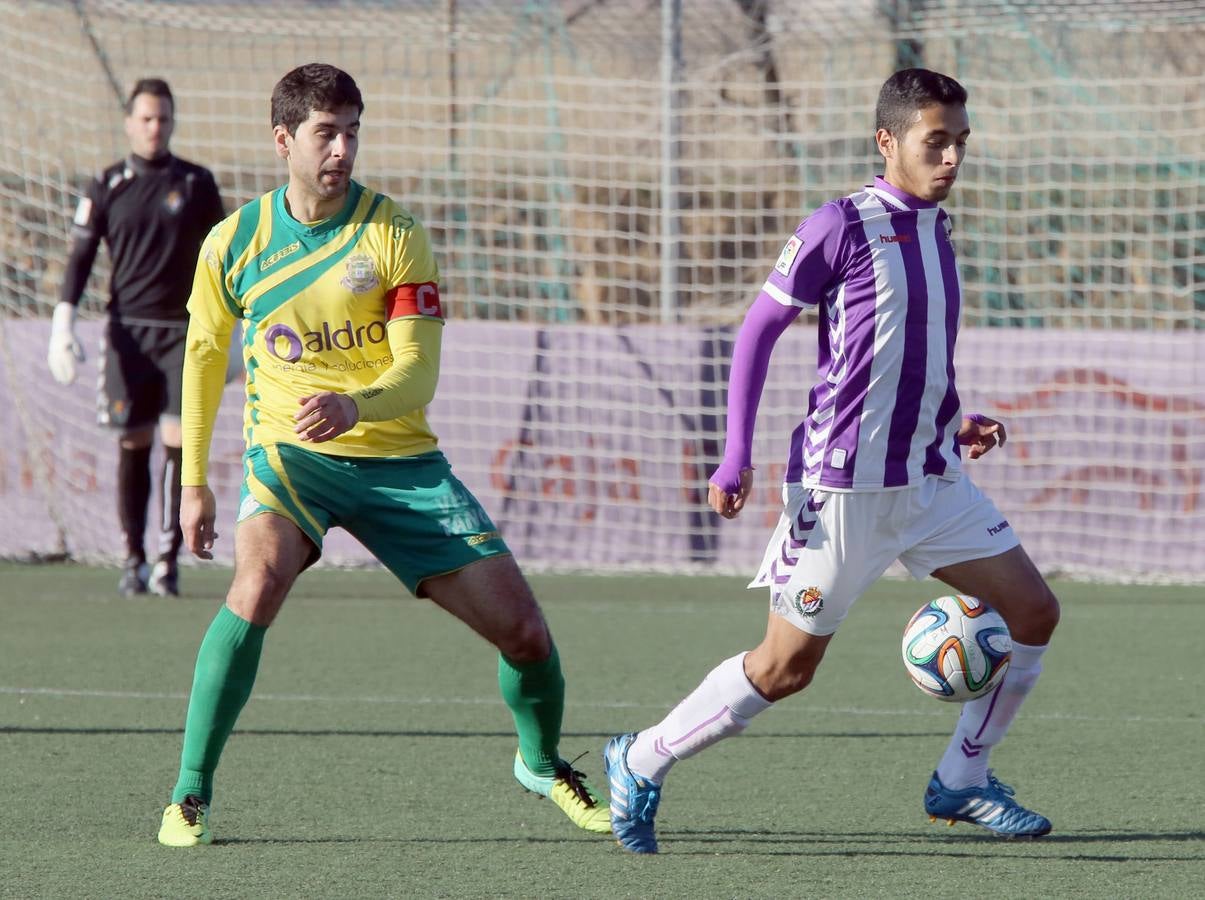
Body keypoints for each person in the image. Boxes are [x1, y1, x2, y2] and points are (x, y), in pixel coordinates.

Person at [603, 68, 1061, 853]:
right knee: (783, 671)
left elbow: (903, 358)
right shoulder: (838, 225)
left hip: (927, 479)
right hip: (841, 490)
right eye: (934, 142)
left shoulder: (937, 232)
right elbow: (755, 333)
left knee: (1033, 612)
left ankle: (960, 781)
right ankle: (639, 758)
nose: (950, 158)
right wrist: (733, 456)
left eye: (959, 142)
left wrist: (954, 422)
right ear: (887, 142)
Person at [156, 63, 611, 847]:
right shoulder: (234, 244)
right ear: (283, 140)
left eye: (352, 131)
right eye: (325, 133)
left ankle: (539, 763)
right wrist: (193, 480)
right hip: (290, 456)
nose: (342, 149)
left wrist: (353, 405)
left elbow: (418, 372)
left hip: (400, 462)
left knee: (526, 635)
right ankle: (189, 795)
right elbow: (201, 358)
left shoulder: (393, 234)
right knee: (256, 582)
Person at [48, 78, 225, 597]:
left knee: (176, 443)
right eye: (146, 118)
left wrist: (235, 328)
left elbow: (222, 261)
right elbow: (80, 257)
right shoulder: (106, 185)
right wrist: (63, 320)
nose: (155, 127)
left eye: (163, 118)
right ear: (129, 123)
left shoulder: (196, 183)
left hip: (184, 335)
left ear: (173, 123)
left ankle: (170, 561)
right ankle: (134, 558)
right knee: (133, 442)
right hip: (127, 335)